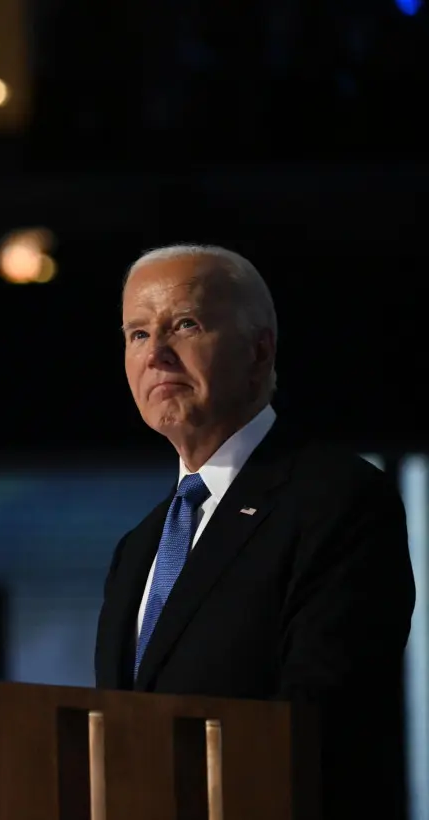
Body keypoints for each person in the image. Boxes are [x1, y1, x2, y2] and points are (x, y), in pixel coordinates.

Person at [95, 244, 414, 819]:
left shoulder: (335, 498)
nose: (157, 355)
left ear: (259, 349)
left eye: (184, 325)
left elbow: (323, 721)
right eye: (137, 334)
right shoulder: (138, 548)